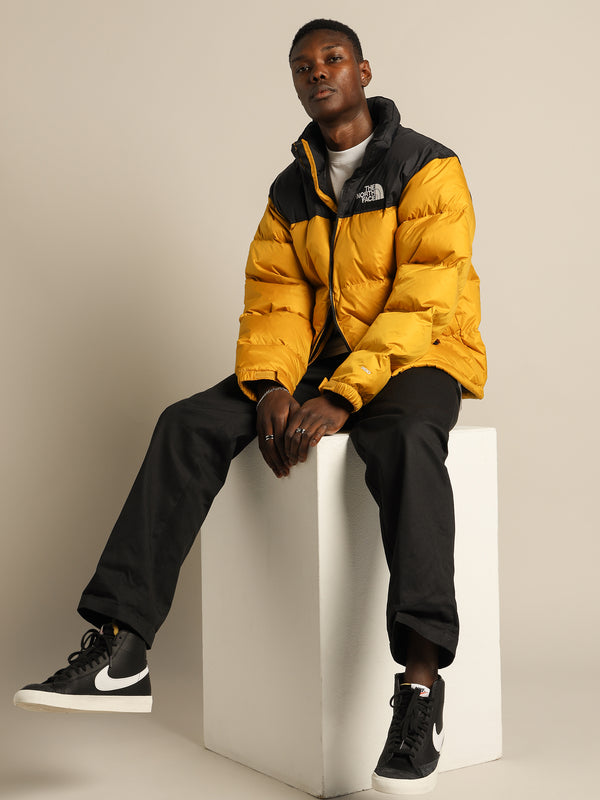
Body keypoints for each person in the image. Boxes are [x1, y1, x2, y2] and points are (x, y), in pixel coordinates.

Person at [13, 18, 486, 796]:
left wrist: (341, 394)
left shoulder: (427, 166)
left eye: (333, 59)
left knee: (405, 442)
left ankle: (421, 688)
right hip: (320, 363)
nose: (317, 72)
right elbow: (276, 301)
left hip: (421, 355)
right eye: (302, 66)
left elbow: (424, 298)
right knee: (187, 423)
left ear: (364, 72)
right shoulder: (290, 190)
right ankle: (122, 649)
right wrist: (271, 385)